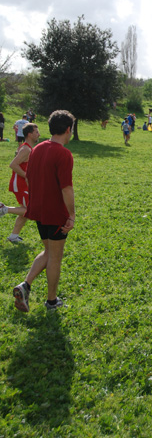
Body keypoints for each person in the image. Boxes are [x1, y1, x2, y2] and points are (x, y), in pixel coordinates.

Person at [12, 110, 75, 312]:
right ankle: (51, 301)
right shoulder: (63, 153)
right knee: (55, 256)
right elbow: (66, 188)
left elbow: (29, 177)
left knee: (48, 251)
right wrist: (71, 215)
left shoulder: (36, 149)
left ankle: (25, 285)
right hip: (55, 213)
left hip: (38, 210)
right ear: (68, 129)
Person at [7, 123, 40, 243]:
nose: (39, 134)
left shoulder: (27, 148)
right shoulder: (26, 149)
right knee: (29, 210)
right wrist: (27, 176)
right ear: (30, 134)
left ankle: (14, 236)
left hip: (23, 184)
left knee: (24, 211)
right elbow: (13, 165)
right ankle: (3, 209)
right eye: (36, 132)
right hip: (20, 184)